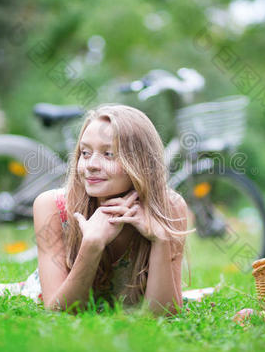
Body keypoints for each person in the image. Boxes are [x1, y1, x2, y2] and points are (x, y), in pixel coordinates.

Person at [32, 104, 193, 316]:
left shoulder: (170, 207)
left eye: (109, 154)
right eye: (85, 152)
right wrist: (91, 244)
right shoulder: (52, 207)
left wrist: (160, 240)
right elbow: (58, 312)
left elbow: (163, 315)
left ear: (142, 162)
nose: (91, 165)